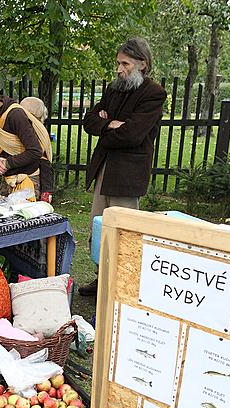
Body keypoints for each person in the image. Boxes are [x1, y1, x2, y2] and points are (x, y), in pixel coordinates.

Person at [78, 37, 167, 296]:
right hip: (105, 167)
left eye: (125, 64)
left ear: (143, 64)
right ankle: (101, 278)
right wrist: (109, 124)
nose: (119, 69)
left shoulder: (153, 93)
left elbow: (133, 135)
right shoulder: (114, 89)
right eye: (118, 63)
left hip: (127, 172)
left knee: (124, 232)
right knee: (100, 226)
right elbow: (89, 121)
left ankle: (121, 285)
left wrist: (110, 126)